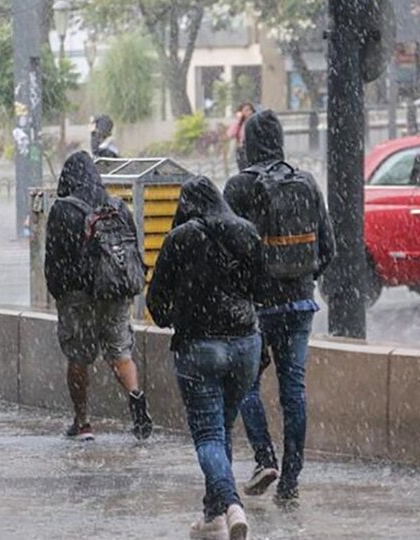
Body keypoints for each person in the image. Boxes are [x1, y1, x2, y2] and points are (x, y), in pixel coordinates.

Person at [223, 109, 335, 507]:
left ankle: (264, 458)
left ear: (250, 143)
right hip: (301, 302)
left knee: (246, 386)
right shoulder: (305, 182)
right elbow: (329, 249)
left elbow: (225, 251)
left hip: (256, 308)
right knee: (294, 391)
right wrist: (302, 279)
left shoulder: (238, 187)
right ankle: (291, 480)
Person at [146, 176, 262, 540]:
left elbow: (156, 300)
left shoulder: (180, 237)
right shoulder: (246, 231)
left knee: (209, 435)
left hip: (199, 347)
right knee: (222, 429)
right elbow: (261, 288)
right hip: (245, 345)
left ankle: (231, 504)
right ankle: (213, 515)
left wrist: (173, 318)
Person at [44, 151, 152, 441]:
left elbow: (54, 259)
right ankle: (137, 403)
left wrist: (60, 293)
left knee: (79, 358)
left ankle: (83, 423)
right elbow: (132, 252)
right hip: (115, 293)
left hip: (78, 297)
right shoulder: (116, 205)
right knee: (120, 353)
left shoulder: (63, 209)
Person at [226, 102, 255, 171]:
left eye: (250, 110)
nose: (249, 112)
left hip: (253, 150)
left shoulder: (256, 122)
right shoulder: (240, 124)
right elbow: (230, 134)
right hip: (242, 151)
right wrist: (239, 119)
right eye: (246, 110)